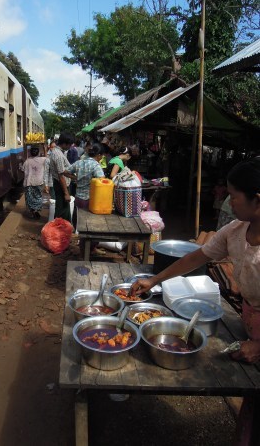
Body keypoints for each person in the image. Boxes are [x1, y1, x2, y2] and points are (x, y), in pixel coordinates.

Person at [131, 157, 260, 365]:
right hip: (249, 319)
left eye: (233, 196)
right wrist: (154, 280)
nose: (228, 203)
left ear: (257, 199)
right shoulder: (235, 230)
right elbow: (195, 258)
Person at [66, 143, 105, 254]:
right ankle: (89, 249)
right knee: (93, 226)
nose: (101, 158)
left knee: (82, 225)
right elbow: (102, 180)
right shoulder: (96, 166)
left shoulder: (79, 162)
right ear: (98, 155)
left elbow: (65, 171)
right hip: (91, 200)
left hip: (79, 198)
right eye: (101, 156)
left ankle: (85, 249)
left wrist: (76, 178)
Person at [49, 132, 75, 222]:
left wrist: (74, 177)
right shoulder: (58, 155)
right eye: (69, 144)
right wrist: (66, 193)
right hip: (61, 185)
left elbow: (63, 171)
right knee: (62, 211)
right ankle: (58, 230)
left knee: (64, 209)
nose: (70, 147)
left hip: (60, 183)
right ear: (64, 143)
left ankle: (63, 230)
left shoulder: (58, 152)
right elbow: (61, 176)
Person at [22, 147, 46, 219]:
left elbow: (23, 170)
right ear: (38, 153)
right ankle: (36, 210)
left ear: (30, 153)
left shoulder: (27, 161)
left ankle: (32, 211)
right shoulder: (42, 160)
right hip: (38, 182)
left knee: (30, 198)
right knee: (38, 196)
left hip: (29, 182)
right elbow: (47, 158)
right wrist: (45, 149)